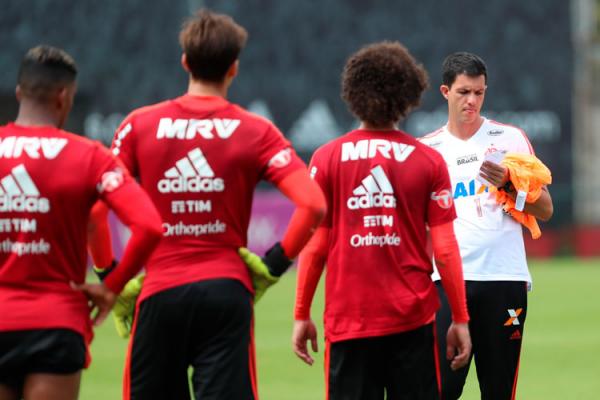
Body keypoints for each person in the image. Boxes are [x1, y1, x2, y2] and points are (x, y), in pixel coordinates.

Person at [88, 9, 326, 400]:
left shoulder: (139, 124)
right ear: (233, 68)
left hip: (160, 292)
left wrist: (110, 276)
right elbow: (314, 205)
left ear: (185, 62)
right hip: (226, 292)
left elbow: (96, 211)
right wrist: (271, 267)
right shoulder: (255, 129)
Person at [292, 41, 472, 400]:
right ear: (407, 95)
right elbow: (446, 250)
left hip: (348, 322)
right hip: (413, 321)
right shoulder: (427, 161)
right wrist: (461, 319)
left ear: (353, 93)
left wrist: (301, 312)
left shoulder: (326, 159)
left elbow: (315, 246)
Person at [0, 46, 162, 400]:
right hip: (55, 324)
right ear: (64, 96)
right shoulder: (89, 156)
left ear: (18, 93)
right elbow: (150, 225)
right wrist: (112, 286)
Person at [419, 52, 554, 399]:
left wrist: (510, 185)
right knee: (441, 390)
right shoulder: (427, 149)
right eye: (464, 92)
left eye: (479, 93)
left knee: (499, 391)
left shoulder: (509, 139)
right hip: (447, 283)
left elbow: (546, 209)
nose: (472, 101)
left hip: (504, 279)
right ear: (445, 92)